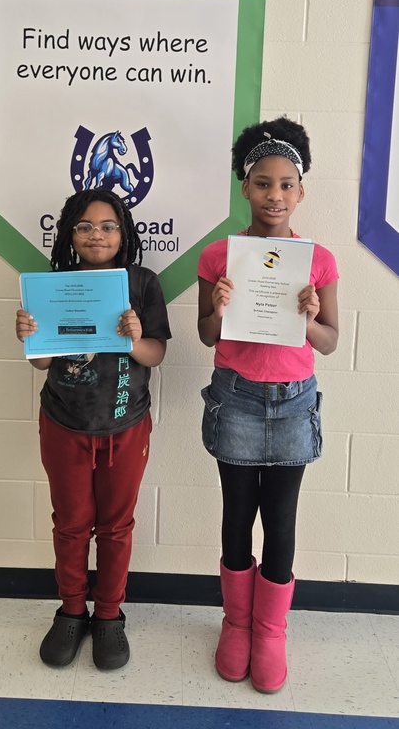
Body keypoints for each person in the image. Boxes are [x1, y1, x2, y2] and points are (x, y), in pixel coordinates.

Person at [197, 117, 338, 694]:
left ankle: (270, 630)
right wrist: (219, 306)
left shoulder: (319, 260)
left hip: (293, 404)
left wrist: (309, 318)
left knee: (280, 521)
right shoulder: (218, 256)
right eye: (262, 183)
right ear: (245, 188)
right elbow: (206, 335)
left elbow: (330, 342)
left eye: (285, 184)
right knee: (237, 515)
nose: (274, 195)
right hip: (236, 399)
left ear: (300, 192)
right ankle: (236, 622)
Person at [16, 188, 171, 672]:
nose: (96, 235)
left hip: (126, 424)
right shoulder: (53, 285)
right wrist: (29, 336)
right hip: (65, 423)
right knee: (71, 523)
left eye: (107, 226)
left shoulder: (141, 283)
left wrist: (135, 339)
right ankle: (71, 610)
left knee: (116, 526)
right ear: (69, 234)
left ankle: (108, 615)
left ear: (123, 233)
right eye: (84, 227)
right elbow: (42, 363)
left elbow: (156, 355)